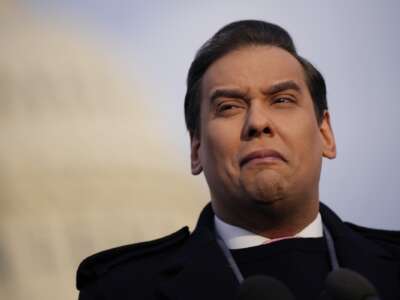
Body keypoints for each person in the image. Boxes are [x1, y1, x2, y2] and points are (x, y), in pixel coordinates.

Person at [76, 20, 400, 300]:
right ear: (195, 149)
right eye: (229, 107)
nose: (258, 122)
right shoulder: (122, 290)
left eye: (282, 100)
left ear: (325, 133)